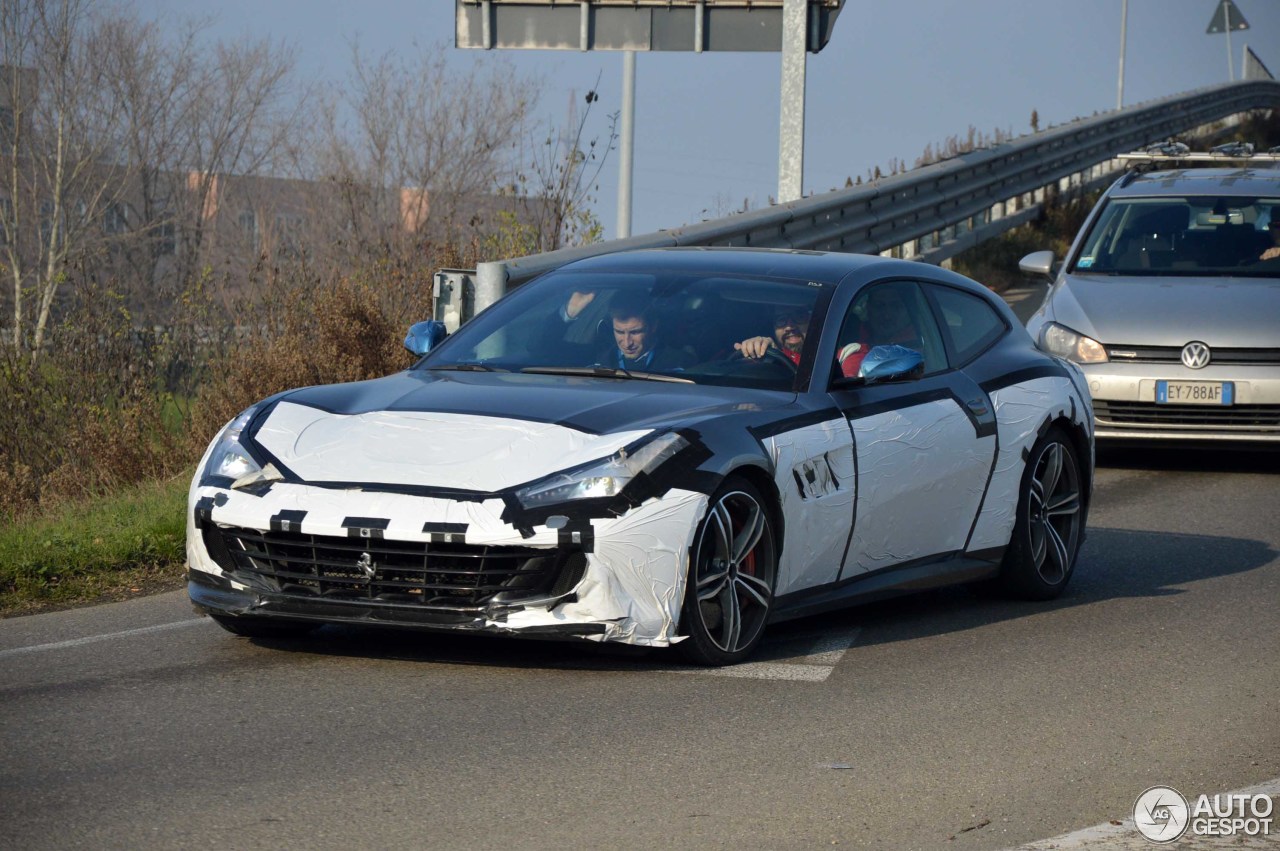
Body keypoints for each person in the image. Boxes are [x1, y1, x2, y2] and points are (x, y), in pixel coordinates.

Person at [548, 290, 692, 371]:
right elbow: (539, 348)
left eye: (635, 332)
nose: (627, 343)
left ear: (653, 326)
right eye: (619, 332)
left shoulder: (680, 363)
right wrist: (568, 314)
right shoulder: (597, 358)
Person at [838, 285, 923, 378]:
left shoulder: (917, 347)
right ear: (868, 308)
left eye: (896, 307)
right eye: (879, 306)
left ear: (909, 311)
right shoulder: (846, 335)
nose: (887, 316)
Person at [733, 306, 811, 367]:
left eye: (799, 317)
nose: (790, 327)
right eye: (781, 320)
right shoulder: (767, 358)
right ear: (773, 329)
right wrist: (753, 354)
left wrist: (780, 359)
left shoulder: (822, 357)